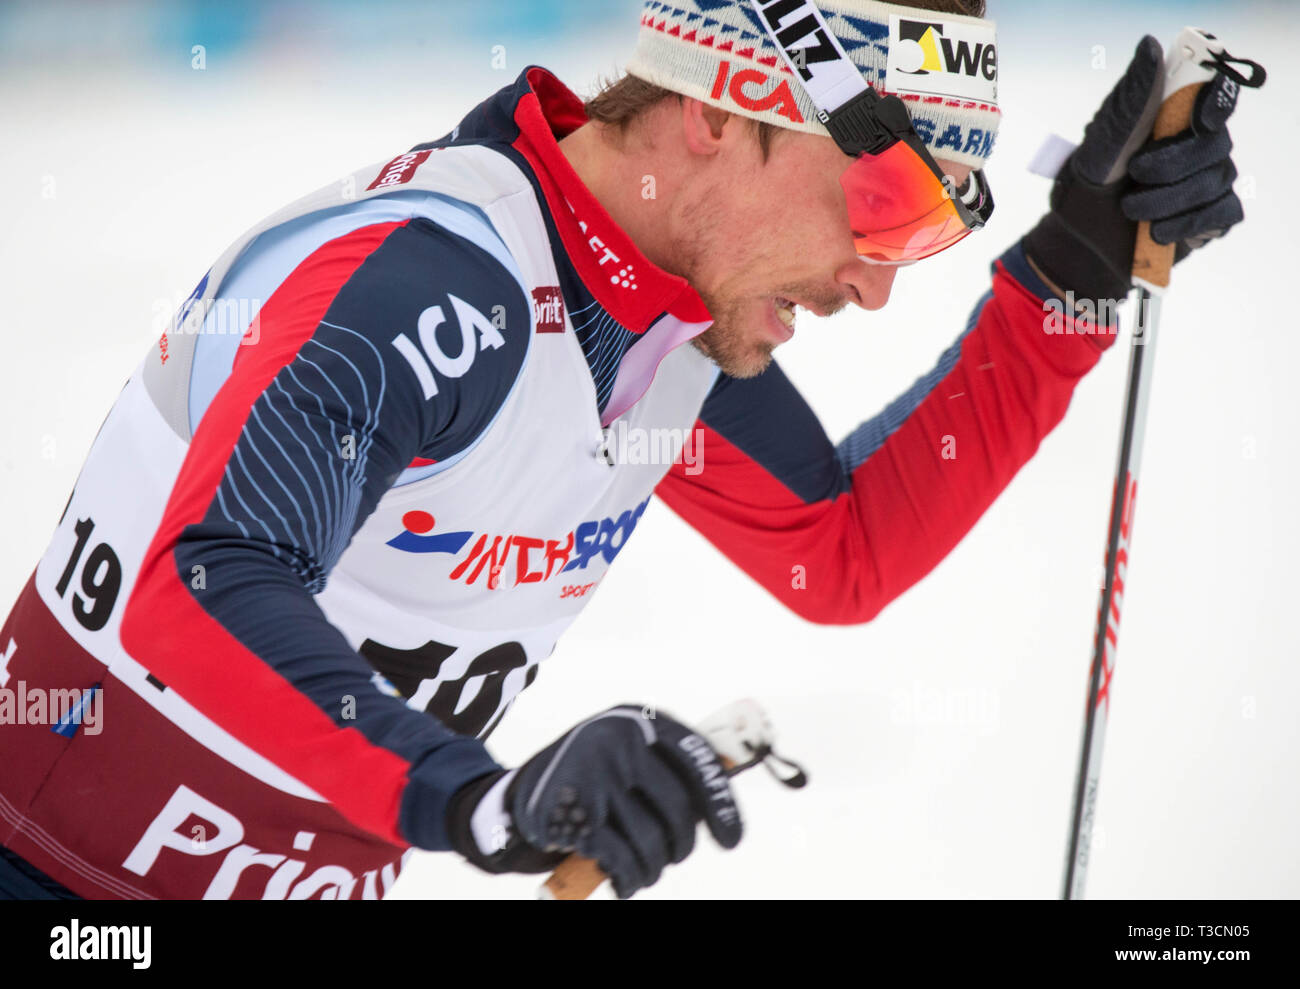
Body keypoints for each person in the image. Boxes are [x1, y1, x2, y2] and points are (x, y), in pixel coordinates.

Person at [0, 0, 1251, 900]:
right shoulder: (436, 280)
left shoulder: (659, 328)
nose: (875, 284)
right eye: (882, 206)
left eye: (926, 233)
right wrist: (474, 795)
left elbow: (843, 547)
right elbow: (199, 581)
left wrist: (1071, 279)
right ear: (721, 106)